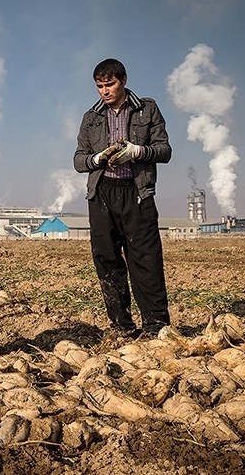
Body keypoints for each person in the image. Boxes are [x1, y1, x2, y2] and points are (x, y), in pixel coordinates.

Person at [73, 58, 172, 339]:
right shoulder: (91, 117)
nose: (105, 91)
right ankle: (122, 326)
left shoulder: (146, 109)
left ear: (123, 81)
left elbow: (164, 150)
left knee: (145, 259)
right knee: (107, 259)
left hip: (137, 193)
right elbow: (78, 159)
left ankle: (156, 326)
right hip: (102, 194)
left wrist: (137, 152)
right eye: (99, 86)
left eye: (110, 84)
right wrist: (98, 158)